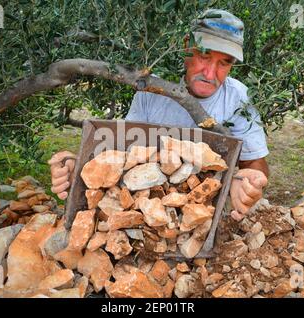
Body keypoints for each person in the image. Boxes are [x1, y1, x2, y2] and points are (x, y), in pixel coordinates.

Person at [48, 9, 269, 221]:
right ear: (186, 46)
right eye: (204, 55)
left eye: (224, 63)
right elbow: (122, 155)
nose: (211, 73)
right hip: (149, 212)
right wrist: (80, 167)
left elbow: (255, 163)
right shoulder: (153, 88)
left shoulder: (238, 97)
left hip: (204, 215)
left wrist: (249, 181)